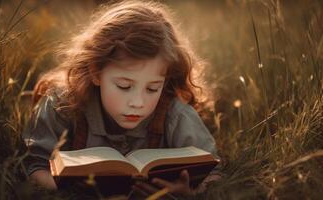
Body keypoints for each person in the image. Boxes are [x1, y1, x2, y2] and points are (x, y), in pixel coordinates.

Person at [23, 0, 221, 198]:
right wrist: (68, 192)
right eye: (124, 86)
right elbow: (35, 165)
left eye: (153, 88)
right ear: (96, 72)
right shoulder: (62, 104)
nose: (138, 102)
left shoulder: (175, 115)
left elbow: (213, 173)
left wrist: (189, 192)